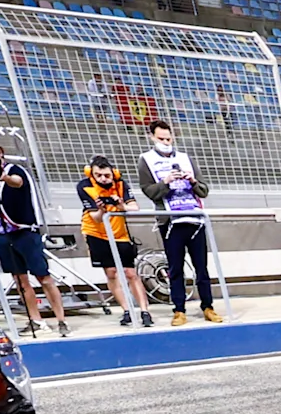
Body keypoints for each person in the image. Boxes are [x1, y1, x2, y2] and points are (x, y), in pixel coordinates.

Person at [0, 132, 64, 336]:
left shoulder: (14, 170)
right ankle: (36, 320)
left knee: (43, 277)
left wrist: (3, 177)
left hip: (24, 230)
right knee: (19, 279)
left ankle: (61, 319)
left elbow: (17, 182)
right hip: (1, 232)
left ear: (0, 152)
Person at [141, 120, 219, 324]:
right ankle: (179, 309)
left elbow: (204, 190)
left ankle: (208, 306)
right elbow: (149, 191)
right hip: (170, 222)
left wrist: (192, 181)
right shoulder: (146, 160)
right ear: (152, 137)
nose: (166, 142)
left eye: (168, 138)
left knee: (201, 267)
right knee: (175, 268)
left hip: (194, 220)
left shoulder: (185, 158)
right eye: (161, 139)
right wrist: (166, 182)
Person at [79, 154, 154, 327]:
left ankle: (145, 311)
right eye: (98, 175)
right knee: (111, 272)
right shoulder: (84, 186)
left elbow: (134, 207)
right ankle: (127, 310)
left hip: (120, 234)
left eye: (107, 175)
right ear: (92, 174)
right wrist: (101, 209)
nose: (103, 179)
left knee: (130, 273)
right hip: (96, 233)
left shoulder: (120, 184)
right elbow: (96, 218)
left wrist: (122, 206)